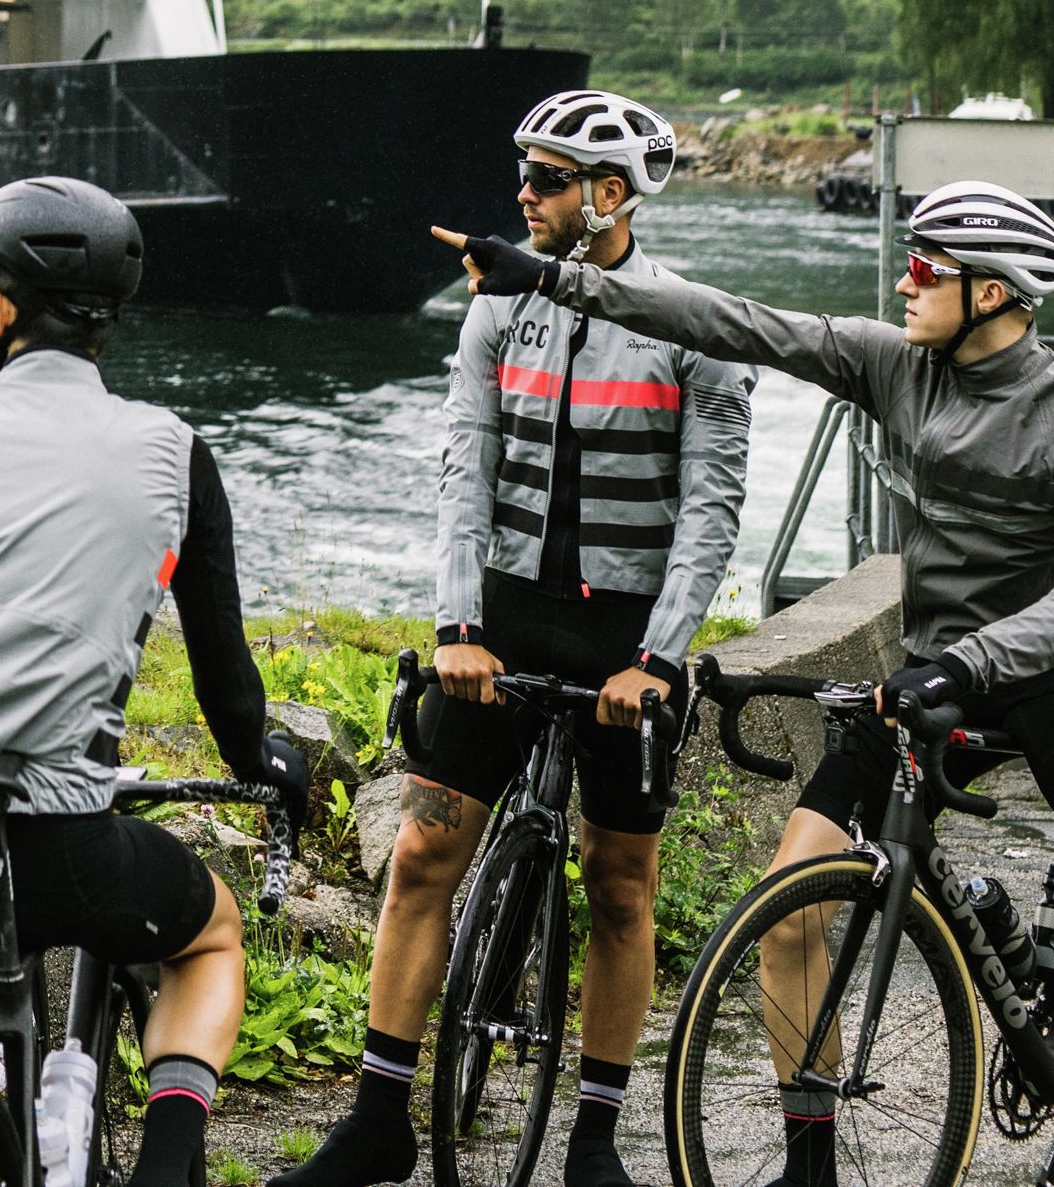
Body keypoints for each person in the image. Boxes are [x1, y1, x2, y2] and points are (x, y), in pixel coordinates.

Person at [443, 172, 1054, 1187]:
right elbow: (736, 321)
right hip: (923, 667)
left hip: (1040, 666)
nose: (901, 279)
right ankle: (809, 1163)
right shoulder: (894, 363)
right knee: (787, 903)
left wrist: (967, 659)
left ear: (992, 290)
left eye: (925, 267)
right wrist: (554, 278)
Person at [295, 90, 752, 1187]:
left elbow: (711, 507)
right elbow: (463, 470)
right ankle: (376, 1118)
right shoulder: (497, 310)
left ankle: (593, 1137)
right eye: (523, 175)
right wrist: (456, 624)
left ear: (607, 195)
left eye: (543, 179)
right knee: (419, 852)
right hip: (498, 618)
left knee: (619, 882)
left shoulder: (693, 323)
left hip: (627, 636)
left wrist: (661, 654)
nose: (520, 194)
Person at [0, 175, 310, 1187]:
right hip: (63, 846)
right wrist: (262, 759)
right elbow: (229, 694)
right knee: (209, 934)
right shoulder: (175, 455)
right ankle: (166, 1165)